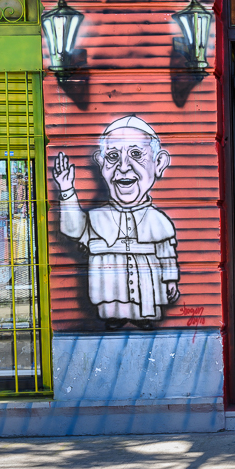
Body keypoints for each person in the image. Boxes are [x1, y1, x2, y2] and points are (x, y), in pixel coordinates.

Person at [52, 116, 180, 330]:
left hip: (147, 276)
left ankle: (142, 316)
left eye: (136, 154)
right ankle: (115, 316)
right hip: (108, 277)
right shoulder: (97, 217)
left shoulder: (158, 220)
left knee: (145, 296)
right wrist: (66, 190)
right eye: (112, 156)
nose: (123, 167)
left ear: (158, 163)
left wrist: (171, 280)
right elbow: (73, 229)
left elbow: (166, 254)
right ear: (101, 164)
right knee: (112, 295)